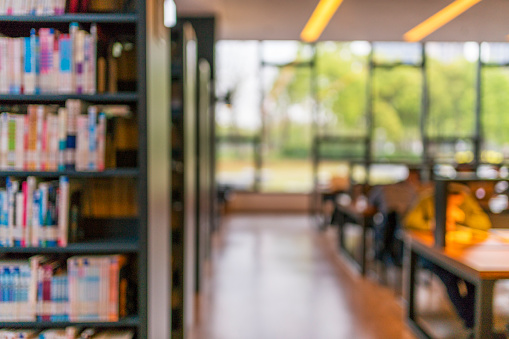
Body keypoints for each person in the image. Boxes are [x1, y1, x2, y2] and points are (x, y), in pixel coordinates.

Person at [403, 182, 492, 330]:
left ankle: (475, 323)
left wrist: (462, 218)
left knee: (473, 281)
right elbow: (410, 221)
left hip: (462, 253)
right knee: (449, 277)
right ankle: (471, 321)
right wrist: (435, 225)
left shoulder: (465, 201)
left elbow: (484, 223)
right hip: (432, 253)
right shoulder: (427, 200)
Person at [368, 168, 422, 266]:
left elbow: (370, 205)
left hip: (387, 226)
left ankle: (379, 254)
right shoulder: (414, 192)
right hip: (403, 229)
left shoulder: (384, 188)